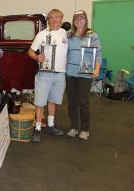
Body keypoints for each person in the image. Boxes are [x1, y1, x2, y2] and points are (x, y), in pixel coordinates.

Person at [28, 9, 68, 143]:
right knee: (40, 102)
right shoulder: (41, 34)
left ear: (61, 19)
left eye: (57, 17)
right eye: (51, 18)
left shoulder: (64, 33)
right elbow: (30, 52)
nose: (54, 20)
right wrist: (37, 57)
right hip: (44, 74)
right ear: (48, 20)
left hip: (60, 74)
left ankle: (50, 125)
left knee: (53, 101)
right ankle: (38, 128)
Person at [66, 10, 102, 140]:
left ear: (86, 20)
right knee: (72, 102)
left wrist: (97, 68)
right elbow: (64, 53)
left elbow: (98, 53)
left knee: (83, 102)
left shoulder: (93, 35)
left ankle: (85, 129)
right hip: (70, 73)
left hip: (85, 74)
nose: (79, 20)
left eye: (82, 18)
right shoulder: (69, 36)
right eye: (76, 18)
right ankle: (74, 127)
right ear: (74, 21)